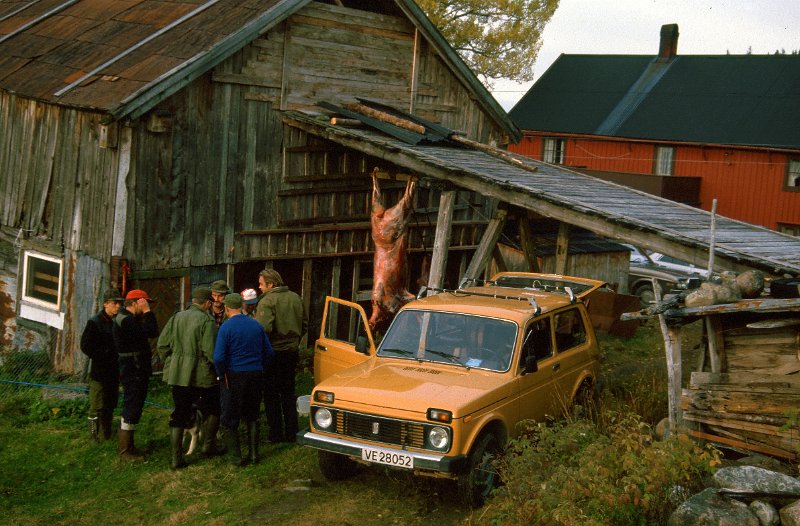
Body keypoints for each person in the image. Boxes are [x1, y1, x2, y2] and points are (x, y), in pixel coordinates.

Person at [157, 286, 222, 469]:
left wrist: (173, 361)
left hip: (178, 374)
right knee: (214, 408)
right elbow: (210, 351)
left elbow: (162, 345)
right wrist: (219, 369)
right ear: (208, 303)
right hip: (201, 375)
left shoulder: (177, 317)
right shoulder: (206, 320)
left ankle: (176, 459)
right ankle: (208, 446)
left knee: (180, 412)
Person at [214, 293, 273, 466]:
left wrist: (220, 374)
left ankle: (236, 457)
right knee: (252, 414)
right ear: (241, 306)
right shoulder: (256, 325)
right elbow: (269, 352)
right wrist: (260, 367)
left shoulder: (226, 327)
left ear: (226, 308)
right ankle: (254, 455)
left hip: (234, 375)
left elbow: (218, 357)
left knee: (231, 416)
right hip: (255, 373)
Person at [255, 269, 307, 443]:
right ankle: (292, 433)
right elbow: (305, 324)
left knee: (271, 395)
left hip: (273, 353)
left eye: (261, 284)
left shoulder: (267, 301)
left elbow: (262, 330)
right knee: (288, 392)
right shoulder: (295, 297)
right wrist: (294, 340)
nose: (259, 287)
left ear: (271, 284)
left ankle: (275, 434)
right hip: (291, 352)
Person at [113, 289, 159, 458]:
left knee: (134, 405)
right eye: (144, 303)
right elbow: (152, 331)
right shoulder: (127, 320)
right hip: (133, 370)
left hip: (134, 369)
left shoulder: (127, 319)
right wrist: (147, 311)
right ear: (135, 303)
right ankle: (125, 450)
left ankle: (129, 447)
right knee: (131, 406)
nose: (146, 307)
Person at [80, 288, 124, 443]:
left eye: (119, 303)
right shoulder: (95, 322)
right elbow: (85, 346)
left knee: (110, 404)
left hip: (114, 371)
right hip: (99, 371)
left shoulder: (119, 321)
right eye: (114, 303)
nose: (118, 306)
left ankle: (107, 432)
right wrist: (103, 354)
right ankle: (93, 435)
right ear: (105, 304)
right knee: (96, 405)